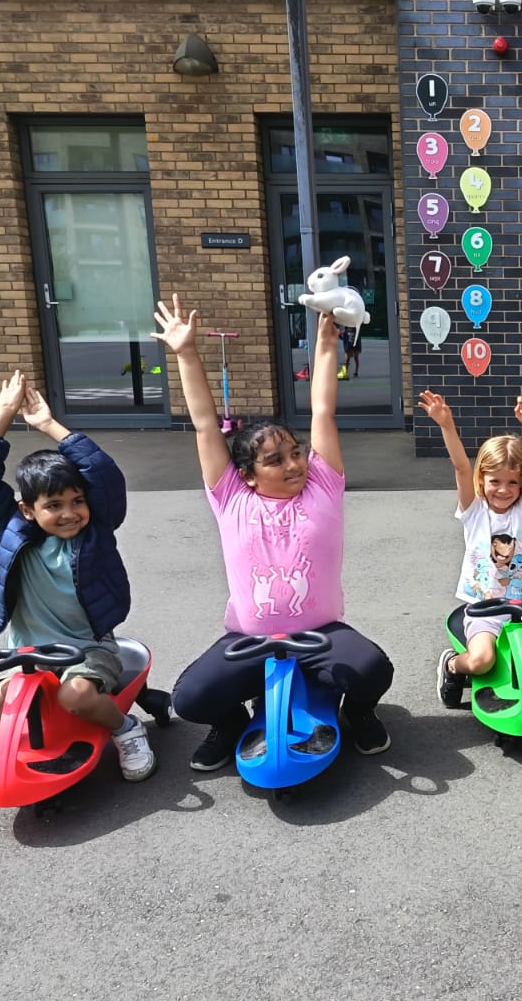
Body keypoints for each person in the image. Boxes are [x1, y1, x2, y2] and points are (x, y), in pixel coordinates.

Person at [153, 294, 394, 770]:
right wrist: (186, 353)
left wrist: (325, 347)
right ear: (246, 473)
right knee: (191, 699)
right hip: (250, 640)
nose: (293, 464)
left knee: (372, 670)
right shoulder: (232, 497)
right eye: (274, 460)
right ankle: (230, 723)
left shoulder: (322, 485)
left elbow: (322, 413)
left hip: (320, 635)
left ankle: (357, 713)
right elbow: (205, 424)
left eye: (295, 453)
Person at [0, 371, 155, 794]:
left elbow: (104, 475)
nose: (70, 513)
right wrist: (4, 413)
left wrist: (49, 425)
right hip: (28, 651)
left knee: (77, 697)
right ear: (28, 510)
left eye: (77, 501)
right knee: (0, 699)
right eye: (54, 505)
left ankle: (127, 730)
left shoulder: (95, 534)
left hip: (87, 647)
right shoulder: (14, 531)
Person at [418, 390, 522, 704]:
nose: (503, 490)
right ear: (482, 480)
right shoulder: (474, 511)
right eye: (495, 481)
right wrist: (446, 425)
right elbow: (461, 468)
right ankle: (452, 665)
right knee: (482, 660)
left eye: (512, 482)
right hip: (484, 609)